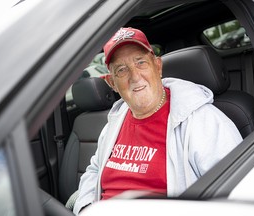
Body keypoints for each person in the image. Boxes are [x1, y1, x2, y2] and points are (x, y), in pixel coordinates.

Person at [73, 27, 243, 215]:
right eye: (121, 70)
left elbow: (236, 195)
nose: (135, 76)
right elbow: (94, 170)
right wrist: (86, 207)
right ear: (112, 83)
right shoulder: (113, 123)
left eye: (141, 63)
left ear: (158, 66)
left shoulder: (204, 122)